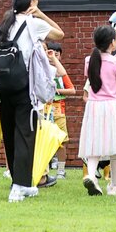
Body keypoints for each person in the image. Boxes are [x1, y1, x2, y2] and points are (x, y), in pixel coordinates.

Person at [0, 0, 64, 202]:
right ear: (30, 2)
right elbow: (60, 34)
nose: (38, 3)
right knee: (25, 134)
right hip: (24, 86)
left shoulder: (2, 25)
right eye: (37, 0)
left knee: (11, 135)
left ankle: (19, 181)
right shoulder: (33, 24)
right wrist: (40, 14)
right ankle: (19, 186)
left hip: (3, 86)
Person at [79, 24, 116, 197]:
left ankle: (91, 176)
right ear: (112, 43)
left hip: (93, 106)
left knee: (94, 144)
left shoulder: (89, 60)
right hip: (112, 106)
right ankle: (113, 186)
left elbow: (93, 81)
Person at [38, 40, 76, 186]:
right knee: (44, 140)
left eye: (56, 54)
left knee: (62, 142)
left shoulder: (58, 70)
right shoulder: (41, 67)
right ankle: (44, 169)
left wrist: (56, 91)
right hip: (44, 109)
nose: (51, 56)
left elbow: (71, 89)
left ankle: (61, 169)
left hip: (58, 110)